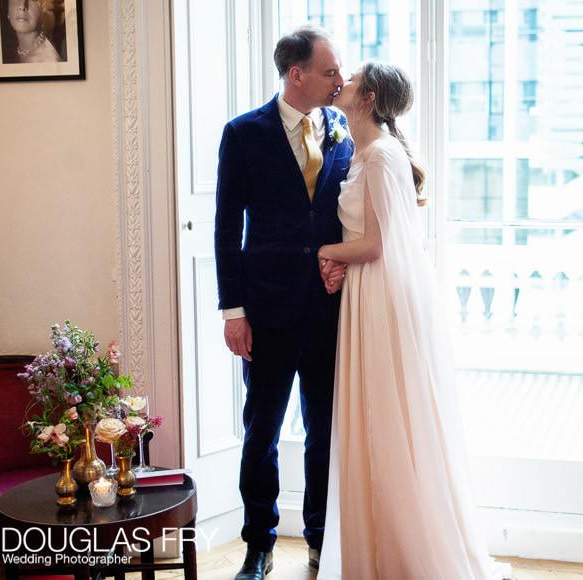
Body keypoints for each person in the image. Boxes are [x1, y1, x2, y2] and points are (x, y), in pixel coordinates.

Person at [315, 63, 513, 579]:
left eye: (352, 78)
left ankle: (404, 556)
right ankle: (376, 552)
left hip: (380, 294)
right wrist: (338, 258)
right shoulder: (363, 151)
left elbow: (376, 244)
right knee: (372, 419)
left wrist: (323, 252)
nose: (344, 82)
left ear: (369, 95)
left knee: (386, 418)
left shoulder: (381, 155)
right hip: (367, 289)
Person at [214, 26, 353, 580]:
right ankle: (259, 545)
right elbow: (226, 229)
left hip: (328, 311)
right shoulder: (244, 133)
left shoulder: (343, 128)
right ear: (296, 74)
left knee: (324, 432)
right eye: (329, 72)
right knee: (262, 434)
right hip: (266, 312)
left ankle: (320, 538)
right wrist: (234, 313)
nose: (340, 81)